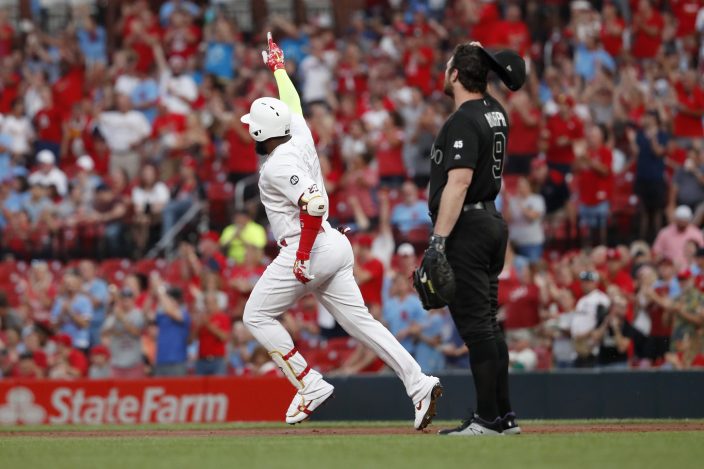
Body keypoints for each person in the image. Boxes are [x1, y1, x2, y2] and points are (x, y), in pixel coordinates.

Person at [240, 33, 441, 429]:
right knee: (363, 323)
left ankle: (309, 383)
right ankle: (419, 383)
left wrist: (300, 259)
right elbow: (293, 105)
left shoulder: (278, 164)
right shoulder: (296, 130)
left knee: (255, 315)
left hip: (308, 245)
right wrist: (279, 68)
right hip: (333, 243)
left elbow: (313, 204)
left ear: (259, 133)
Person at [424, 42, 525, 436]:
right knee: (489, 326)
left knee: (478, 330)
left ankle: (486, 419)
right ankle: (504, 417)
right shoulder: (496, 110)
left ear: (454, 75)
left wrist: (438, 241)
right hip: (491, 223)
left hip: (467, 226)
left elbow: (460, 180)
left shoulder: (464, 119)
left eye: (448, 65)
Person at [101, 287, 146, 379]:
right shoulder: (114, 315)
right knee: (117, 391)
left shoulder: (138, 314)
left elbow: (136, 333)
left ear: (133, 300)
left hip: (134, 363)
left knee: (134, 391)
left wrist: (123, 319)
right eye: (123, 300)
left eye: (128, 300)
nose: (126, 303)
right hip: (117, 363)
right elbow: (104, 333)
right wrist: (114, 323)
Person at [151, 275, 191, 377]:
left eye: (169, 299)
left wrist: (160, 290)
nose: (166, 302)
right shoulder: (162, 314)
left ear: (176, 301)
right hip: (161, 360)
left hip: (177, 361)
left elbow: (170, 311)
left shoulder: (183, 313)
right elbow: (146, 314)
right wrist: (152, 293)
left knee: (178, 391)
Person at [193, 292, 230, 376]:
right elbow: (192, 338)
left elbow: (224, 337)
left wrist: (208, 325)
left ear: (216, 303)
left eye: (210, 303)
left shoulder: (223, 317)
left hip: (218, 359)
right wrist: (198, 326)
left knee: (218, 386)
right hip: (201, 359)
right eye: (206, 303)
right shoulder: (201, 319)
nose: (208, 306)